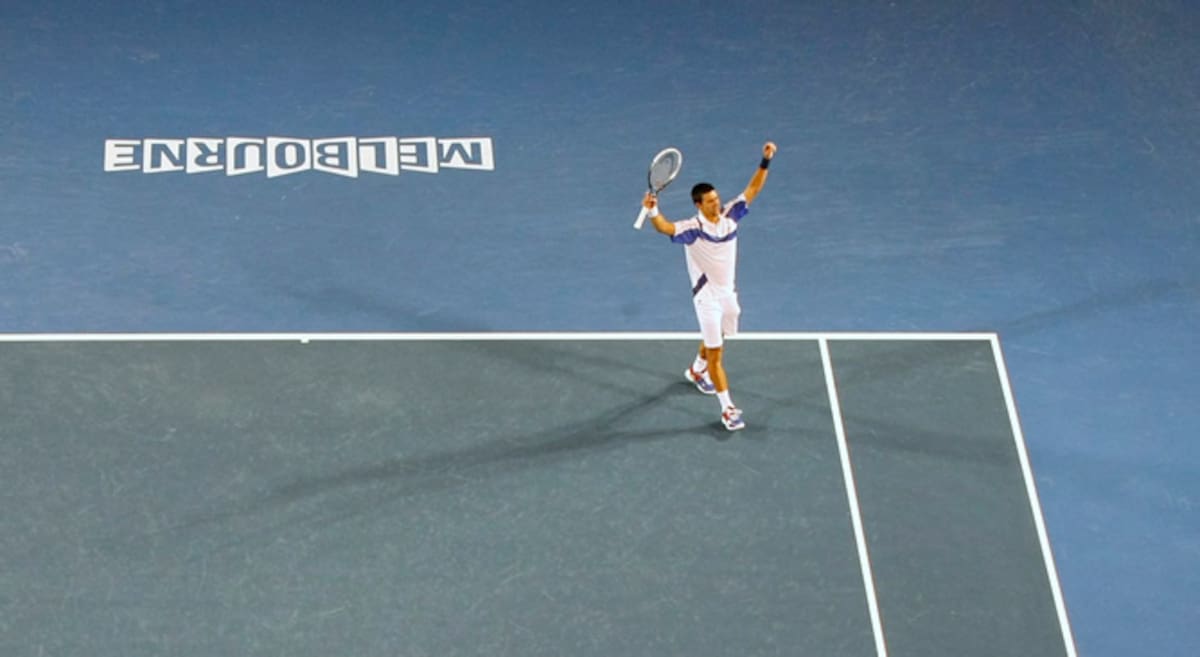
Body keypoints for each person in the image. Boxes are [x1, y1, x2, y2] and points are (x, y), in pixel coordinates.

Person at [642, 141, 776, 431]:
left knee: (720, 338)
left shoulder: (731, 216)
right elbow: (665, 228)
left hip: (728, 295)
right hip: (707, 299)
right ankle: (728, 409)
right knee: (717, 355)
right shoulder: (693, 229)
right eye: (710, 201)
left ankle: (695, 370)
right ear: (698, 205)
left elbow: (753, 189)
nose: (717, 203)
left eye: (717, 198)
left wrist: (765, 161)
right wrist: (654, 213)